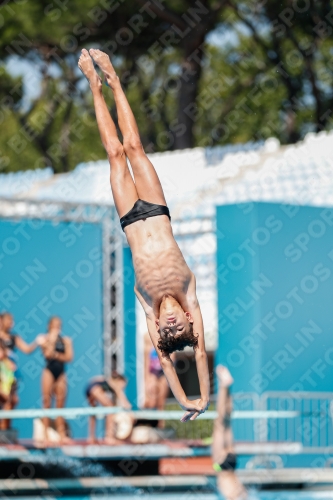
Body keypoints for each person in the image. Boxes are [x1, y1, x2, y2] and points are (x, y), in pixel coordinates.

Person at [78, 48, 210, 422]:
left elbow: (167, 360)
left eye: (167, 332)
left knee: (114, 153)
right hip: (155, 209)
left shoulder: (149, 304)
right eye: (179, 327)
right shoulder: (189, 294)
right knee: (135, 146)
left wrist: (183, 401)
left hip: (130, 220)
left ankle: (93, 83)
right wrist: (202, 397)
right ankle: (114, 79)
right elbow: (198, 353)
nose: (171, 326)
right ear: (187, 320)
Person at [212, 365, 247, 500]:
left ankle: (226, 386)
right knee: (221, 423)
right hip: (222, 465)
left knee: (226, 421)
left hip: (231, 464)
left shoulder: (238, 493)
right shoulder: (234, 494)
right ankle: (223, 386)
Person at [37, 317, 73, 444]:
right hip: (49, 372)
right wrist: (51, 340)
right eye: (55, 325)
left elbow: (69, 357)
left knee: (60, 405)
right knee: (47, 403)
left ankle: (62, 434)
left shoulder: (66, 340)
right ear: (49, 326)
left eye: (59, 325)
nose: (57, 327)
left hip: (61, 373)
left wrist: (56, 354)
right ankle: (46, 433)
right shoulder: (44, 338)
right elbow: (47, 354)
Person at [0, 312, 39, 429]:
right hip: (2, 373)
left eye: (12, 321)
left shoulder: (14, 338)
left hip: (12, 375)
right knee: (4, 398)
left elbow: (27, 349)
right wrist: (6, 360)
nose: (11, 324)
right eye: (9, 320)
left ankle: (5, 429)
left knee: (12, 401)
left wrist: (37, 342)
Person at [85, 372, 132, 444]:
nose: (123, 386)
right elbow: (121, 396)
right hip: (95, 389)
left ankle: (91, 437)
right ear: (119, 380)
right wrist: (127, 405)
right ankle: (109, 437)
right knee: (110, 408)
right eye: (123, 384)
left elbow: (93, 380)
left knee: (93, 412)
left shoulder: (107, 379)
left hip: (88, 389)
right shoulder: (114, 383)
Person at [144, 332, 172, 427]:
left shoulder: (169, 336)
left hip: (163, 372)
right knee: (151, 402)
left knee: (161, 403)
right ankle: (148, 424)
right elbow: (146, 362)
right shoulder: (148, 337)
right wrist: (147, 379)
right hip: (153, 372)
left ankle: (160, 428)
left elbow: (173, 359)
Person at [0, 339, 16, 431]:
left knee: (12, 401)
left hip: (6, 393)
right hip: (2, 394)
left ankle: (5, 428)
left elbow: (11, 381)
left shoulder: (8, 364)